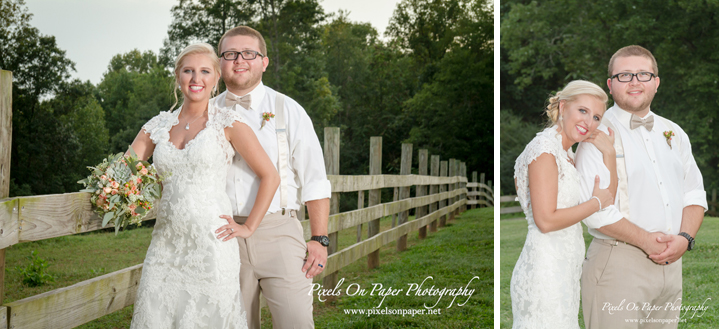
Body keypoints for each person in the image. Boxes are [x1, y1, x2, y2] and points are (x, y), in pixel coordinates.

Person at [127, 43, 279, 329]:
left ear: (216, 78)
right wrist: (120, 194)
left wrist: (248, 227)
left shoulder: (228, 123)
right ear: (178, 77)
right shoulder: (157, 125)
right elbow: (124, 171)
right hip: (165, 244)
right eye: (188, 71)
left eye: (204, 71)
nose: (196, 79)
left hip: (212, 245)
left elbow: (270, 175)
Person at [576, 45, 707, 328]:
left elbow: (694, 193)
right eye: (624, 75)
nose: (635, 81)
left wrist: (684, 238)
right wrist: (647, 242)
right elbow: (595, 209)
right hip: (618, 264)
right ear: (610, 85)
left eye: (643, 74)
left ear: (656, 82)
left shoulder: (674, 132)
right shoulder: (597, 134)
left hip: (672, 266)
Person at [212, 26, 331, 329]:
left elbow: (314, 178)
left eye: (248, 53)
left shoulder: (288, 109)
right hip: (222, 236)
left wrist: (319, 239)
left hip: (279, 232)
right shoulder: (206, 113)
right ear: (220, 62)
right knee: (233, 324)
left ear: (264, 62)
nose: (239, 60)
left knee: (296, 323)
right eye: (230, 54)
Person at [511, 80, 617, 329]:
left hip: (565, 268)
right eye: (582, 111)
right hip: (545, 270)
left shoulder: (567, 154)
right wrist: (595, 203)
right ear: (563, 106)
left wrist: (609, 154)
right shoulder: (544, 150)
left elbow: (608, 196)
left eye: (596, 117)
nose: (588, 122)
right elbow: (546, 221)